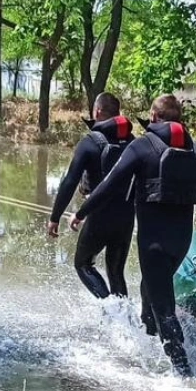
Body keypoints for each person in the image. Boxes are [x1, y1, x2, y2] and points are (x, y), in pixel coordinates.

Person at [70, 94, 196, 377]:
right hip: (180, 243)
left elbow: (110, 185)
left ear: (154, 117)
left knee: (163, 309)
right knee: (149, 292)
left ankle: (184, 376)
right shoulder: (195, 150)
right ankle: (146, 347)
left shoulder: (142, 146)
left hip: (153, 244)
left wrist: (82, 211)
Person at [46, 92, 136, 299]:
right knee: (115, 272)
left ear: (97, 111)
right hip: (127, 216)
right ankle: (126, 320)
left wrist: (55, 217)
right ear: (117, 113)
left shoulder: (90, 142)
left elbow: (69, 182)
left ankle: (111, 311)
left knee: (83, 264)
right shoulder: (133, 142)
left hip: (99, 214)